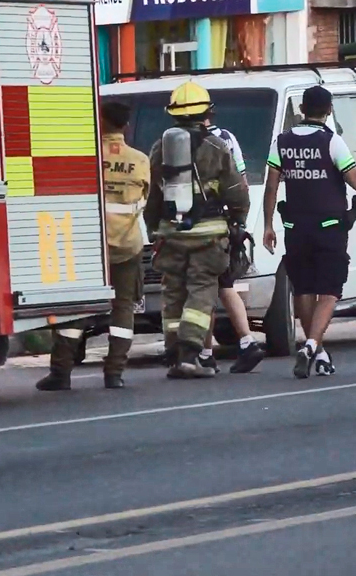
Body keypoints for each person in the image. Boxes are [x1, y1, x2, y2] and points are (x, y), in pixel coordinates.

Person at [36, 100, 149, 391]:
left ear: (99, 120)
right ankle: (115, 374)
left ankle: (61, 373)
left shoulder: (85, 157)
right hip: (128, 246)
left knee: (77, 308)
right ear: (125, 125)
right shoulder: (140, 160)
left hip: (88, 248)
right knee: (123, 309)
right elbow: (146, 200)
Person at [143, 81, 249, 379]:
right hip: (208, 233)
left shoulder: (159, 147)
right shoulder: (217, 146)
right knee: (201, 290)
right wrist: (239, 219)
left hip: (170, 233)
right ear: (207, 113)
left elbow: (153, 195)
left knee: (173, 291)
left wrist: (154, 230)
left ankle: (174, 352)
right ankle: (190, 352)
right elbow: (235, 191)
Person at [262, 86, 356, 379]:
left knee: (304, 289)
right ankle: (311, 344)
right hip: (330, 228)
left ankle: (316, 352)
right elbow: (355, 181)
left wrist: (269, 225)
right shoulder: (332, 141)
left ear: (302, 109)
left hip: (295, 227)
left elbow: (272, 186)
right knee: (330, 290)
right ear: (329, 110)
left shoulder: (282, 142)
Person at [198, 115, 265, 374]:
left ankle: (205, 353)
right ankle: (247, 342)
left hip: (199, 226)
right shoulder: (227, 137)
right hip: (225, 225)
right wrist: (239, 222)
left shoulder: (184, 142)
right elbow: (242, 183)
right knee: (224, 285)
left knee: (202, 288)